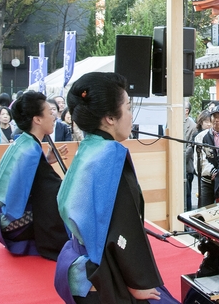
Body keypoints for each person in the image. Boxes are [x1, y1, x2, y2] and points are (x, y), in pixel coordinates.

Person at [55, 72, 167, 303]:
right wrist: (137, 282)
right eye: (127, 107)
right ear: (109, 118)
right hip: (96, 277)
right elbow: (122, 228)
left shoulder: (88, 147)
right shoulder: (111, 155)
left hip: (72, 261)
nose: (131, 116)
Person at [0, 90, 70, 260]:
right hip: (14, 226)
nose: (54, 117)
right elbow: (52, 192)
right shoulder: (30, 151)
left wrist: (45, 161)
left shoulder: (23, 141)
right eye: (50, 113)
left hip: (1, 219)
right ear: (37, 119)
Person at [195, 105, 219, 207]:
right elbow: (199, 160)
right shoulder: (201, 136)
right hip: (207, 181)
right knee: (204, 210)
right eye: (214, 117)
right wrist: (213, 171)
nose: (217, 120)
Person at [186, 110, 212, 210]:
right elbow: (190, 150)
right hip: (199, 169)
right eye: (206, 121)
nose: (208, 124)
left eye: (210, 121)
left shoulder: (213, 134)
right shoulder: (197, 135)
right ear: (201, 122)